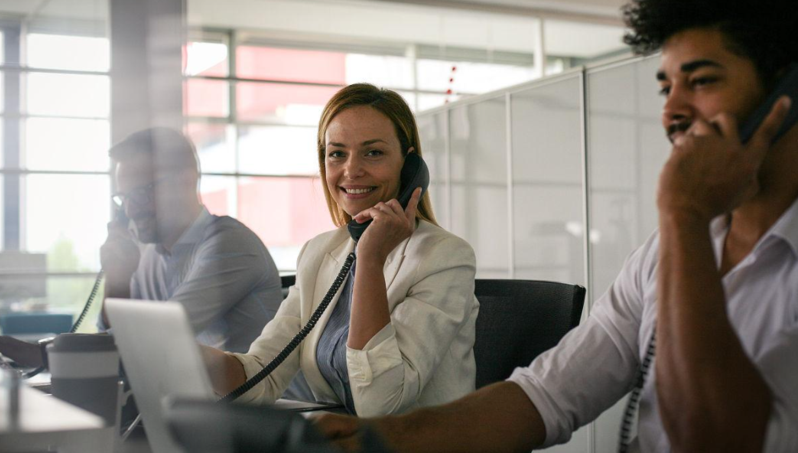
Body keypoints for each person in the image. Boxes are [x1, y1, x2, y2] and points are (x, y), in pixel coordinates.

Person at [314, 0, 798, 451]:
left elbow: (716, 437)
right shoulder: (662, 253)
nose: (671, 112)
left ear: (787, 91)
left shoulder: (683, 234)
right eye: (666, 88)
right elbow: (548, 394)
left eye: (702, 81)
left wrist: (685, 217)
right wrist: (376, 439)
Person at [201, 83, 479, 417]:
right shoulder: (319, 253)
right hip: (340, 439)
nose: (351, 170)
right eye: (337, 154)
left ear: (409, 167)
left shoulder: (444, 257)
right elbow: (261, 377)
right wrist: (181, 354)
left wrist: (370, 259)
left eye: (373, 153)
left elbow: (381, 403)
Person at [0, 128, 283, 368]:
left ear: (187, 180)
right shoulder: (150, 257)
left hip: (267, 409)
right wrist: (117, 281)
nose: (131, 210)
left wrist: (42, 354)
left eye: (143, 193)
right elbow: (116, 346)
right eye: (124, 198)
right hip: (199, 405)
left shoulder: (229, 245)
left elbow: (159, 335)